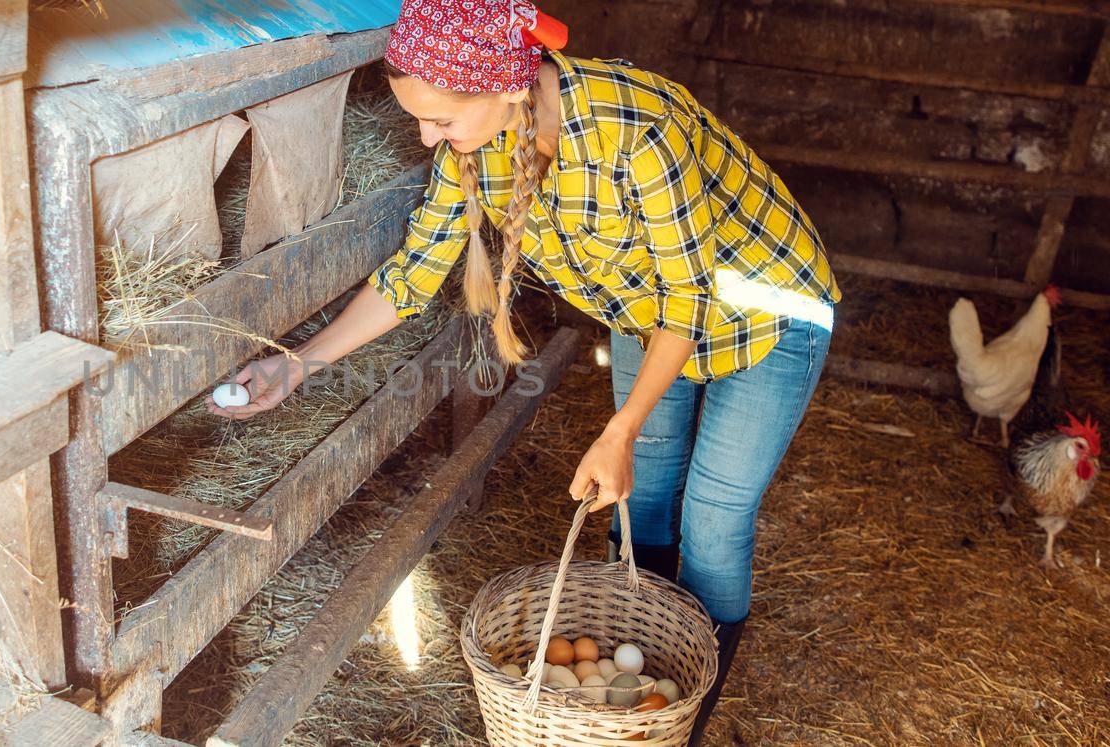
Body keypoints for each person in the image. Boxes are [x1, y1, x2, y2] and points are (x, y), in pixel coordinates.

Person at [205, 0, 842, 741]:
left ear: (507, 87)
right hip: (646, 308)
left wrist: (621, 427)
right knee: (645, 493)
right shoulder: (475, 146)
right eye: (419, 119)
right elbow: (415, 271)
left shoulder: (634, 131)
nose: (427, 136)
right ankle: (639, 686)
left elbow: (688, 298)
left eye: (440, 119)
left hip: (764, 309)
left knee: (715, 518)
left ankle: (682, 718)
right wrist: (300, 365)